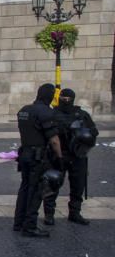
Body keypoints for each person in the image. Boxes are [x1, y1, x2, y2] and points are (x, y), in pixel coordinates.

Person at [13, 83, 64, 237]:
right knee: (36, 191)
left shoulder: (24, 110)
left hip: (25, 154)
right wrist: (60, 157)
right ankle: (30, 226)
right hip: (38, 156)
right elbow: (54, 139)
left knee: (25, 188)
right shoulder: (46, 112)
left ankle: (19, 222)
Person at [43, 88, 98, 226]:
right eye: (64, 98)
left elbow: (93, 133)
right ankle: (49, 214)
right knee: (52, 184)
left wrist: (83, 137)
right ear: (60, 98)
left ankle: (75, 213)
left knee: (78, 186)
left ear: (73, 99)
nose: (66, 101)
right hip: (57, 155)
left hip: (77, 156)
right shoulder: (52, 114)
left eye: (68, 98)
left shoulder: (81, 114)